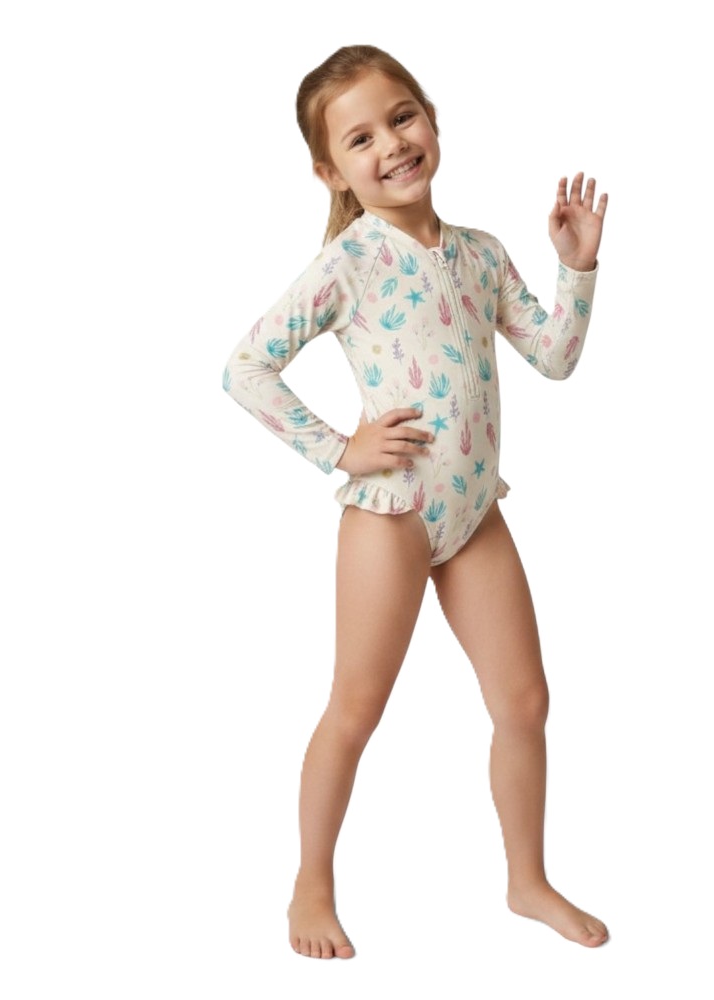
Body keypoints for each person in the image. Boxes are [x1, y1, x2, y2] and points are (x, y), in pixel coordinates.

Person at [223, 44, 609, 959]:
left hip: (474, 512)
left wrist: (578, 269)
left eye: (402, 118)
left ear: (430, 118)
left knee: (525, 703)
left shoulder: (479, 253)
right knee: (355, 709)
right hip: (391, 514)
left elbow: (554, 358)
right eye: (360, 139)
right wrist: (339, 448)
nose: (391, 145)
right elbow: (245, 369)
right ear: (332, 172)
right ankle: (310, 885)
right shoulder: (349, 263)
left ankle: (526, 881)